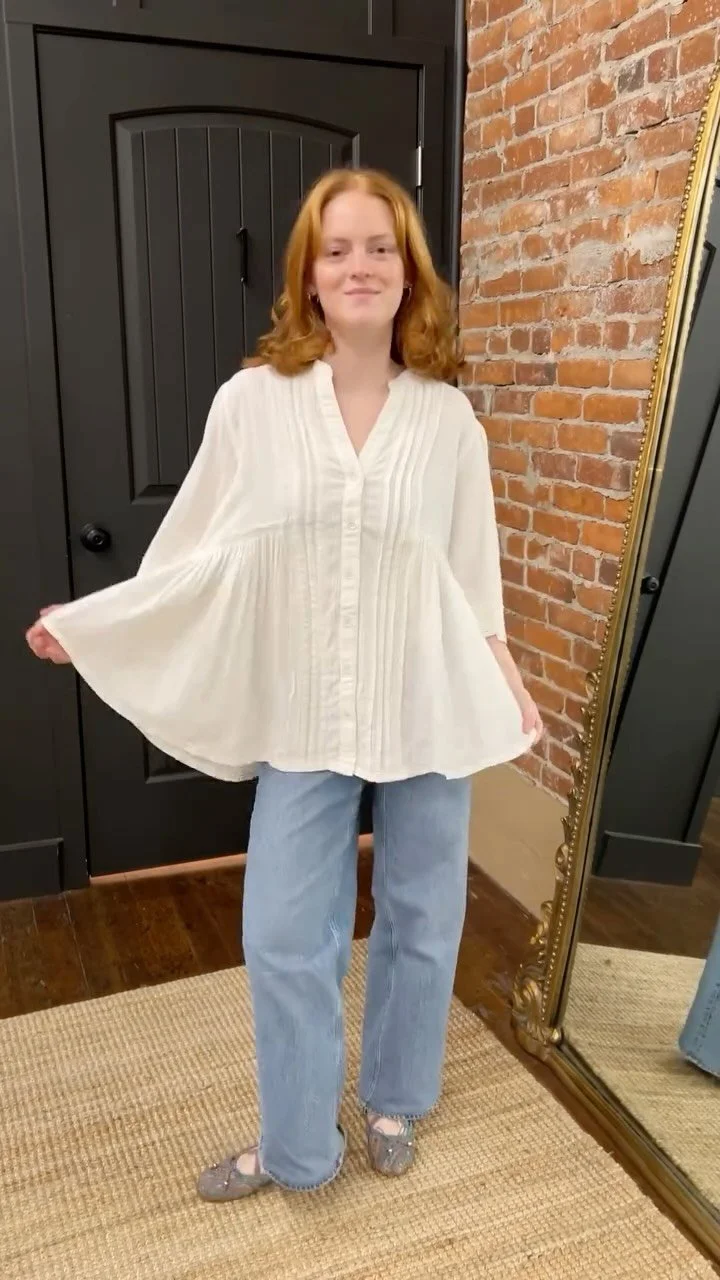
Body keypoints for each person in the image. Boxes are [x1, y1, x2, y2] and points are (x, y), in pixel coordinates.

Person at [25, 167, 543, 1200]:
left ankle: (396, 1096)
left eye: (381, 248)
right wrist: (102, 624)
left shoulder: (448, 420)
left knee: (423, 910)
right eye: (337, 249)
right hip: (307, 711)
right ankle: (300, 1144)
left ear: (409, 272)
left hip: (427, 702)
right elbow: (194, 549)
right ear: (308, 274)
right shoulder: (252, 404)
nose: (360, 266)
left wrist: (504, 677)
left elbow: (468, 574)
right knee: (282, 936)